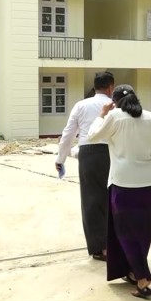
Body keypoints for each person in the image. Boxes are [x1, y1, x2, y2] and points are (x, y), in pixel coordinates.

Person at [86, 84, 151, 299]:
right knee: (142, 232)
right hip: (149, 184)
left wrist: (101, 115)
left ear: (114, 102)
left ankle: (143, 278)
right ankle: (134, 271)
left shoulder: (114, 116)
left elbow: (92, 136)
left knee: (124, 233)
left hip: (123, 184)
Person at [55, 71, 115, 261]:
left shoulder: (81, 105)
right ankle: (114, 245)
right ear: (111, 87)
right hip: (112, 153)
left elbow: (68, 134)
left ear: (94, 86)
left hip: (88, 153)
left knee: (91, 200)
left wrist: (60, 159)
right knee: (113, 198)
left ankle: (99, 247)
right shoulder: (115, 106)